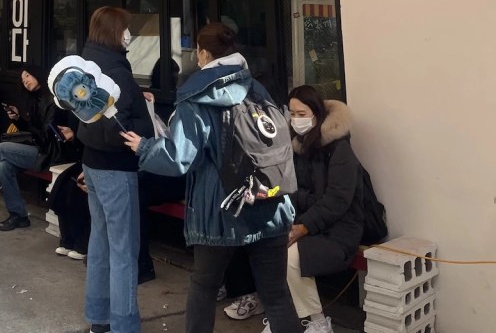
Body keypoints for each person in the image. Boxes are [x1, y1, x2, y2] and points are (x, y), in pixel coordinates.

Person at [121, 22, 300, 333]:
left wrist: (145, 147)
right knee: (276, 293)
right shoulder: (257, 87)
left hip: (221, 209)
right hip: (269, 202)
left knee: (204, 288)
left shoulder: (199, 95)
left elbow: (179, 158)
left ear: (203, 53)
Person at [222, 86, 364, 332]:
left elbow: (337, 201)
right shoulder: (295, 146)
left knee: (288, 256)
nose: (296, 120)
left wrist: (304, 226)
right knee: (263, 241)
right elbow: (288, 188)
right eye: (293, 114)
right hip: (305, 224)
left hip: (339, 231)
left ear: (316, 114)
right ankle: (282, 315)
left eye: (302, 113)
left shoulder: (340, 150)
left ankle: (317, 322)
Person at [79, 6, 153, 333]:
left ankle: (99, 317)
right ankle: (124, 325)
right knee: (123, 251)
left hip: (91, 162)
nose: (130, 35)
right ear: (114, 32)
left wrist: (137, 100)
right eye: (126, 28)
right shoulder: (117, 71)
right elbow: (121, 127)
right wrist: (143, 117)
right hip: (116, 168)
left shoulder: (87, 63)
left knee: (100, 242)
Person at [0, 63, 70, 230]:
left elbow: (46, 136)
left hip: (51, 153)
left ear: (37, 74)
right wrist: (18, 119)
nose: (25, 81)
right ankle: (18, 216)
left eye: (27, 75)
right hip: (40, 149)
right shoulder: (36, 99)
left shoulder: (52, 100)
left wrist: (26, 131)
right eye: (22, 79)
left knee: (1, 148)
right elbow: (34, 133)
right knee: (3, 166)